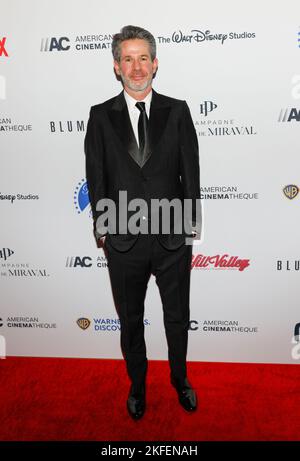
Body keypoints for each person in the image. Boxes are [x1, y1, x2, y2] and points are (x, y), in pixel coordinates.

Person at [85, 25, 201, 420]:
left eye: (143, 58)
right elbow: (96, 176)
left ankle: (180, 379)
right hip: (123, 241)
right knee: (130, 320)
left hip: (172, 239)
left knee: (177, 317)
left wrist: (190, 225)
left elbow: (191, 172)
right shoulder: (100, 116)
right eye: (128, 59)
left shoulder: (178, 110)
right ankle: (137, 384)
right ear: (117, 67)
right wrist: (104, 229)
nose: (137, 67)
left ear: (155, 63)